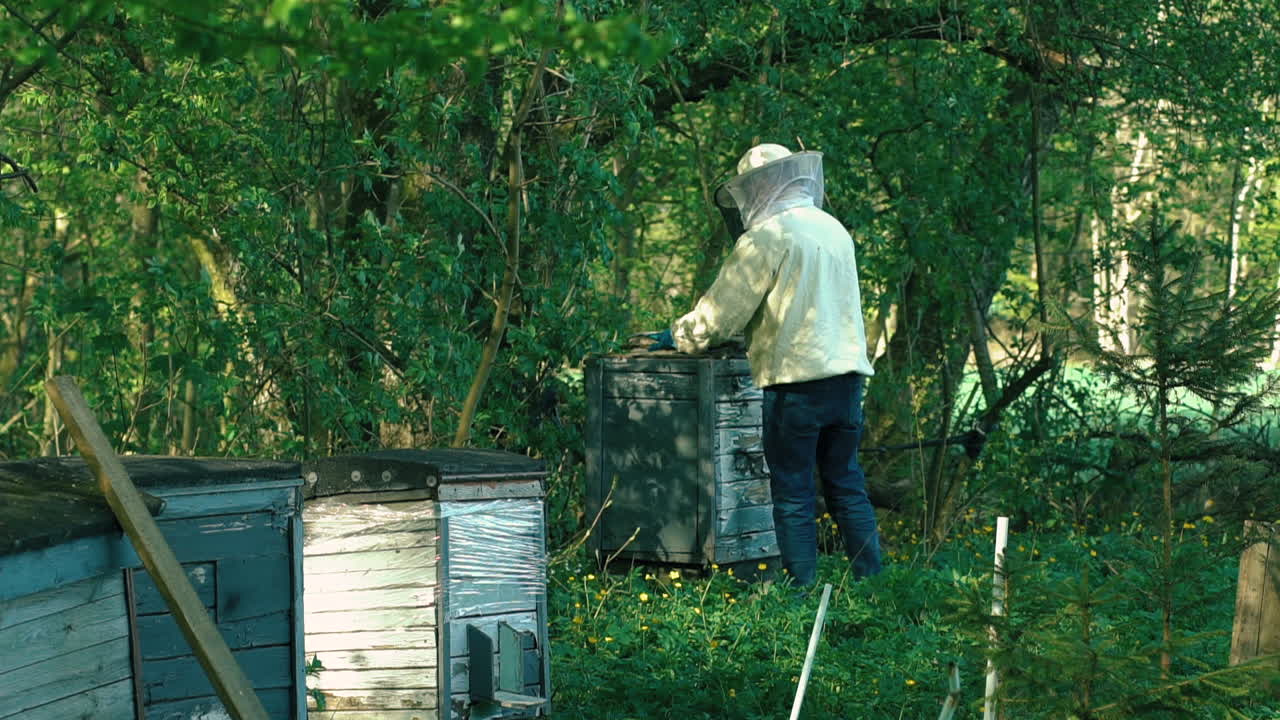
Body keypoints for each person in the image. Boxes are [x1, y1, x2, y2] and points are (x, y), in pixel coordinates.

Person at [647, 143, 881, 587]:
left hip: (797, 387)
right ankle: (876, 587)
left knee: (793, 493)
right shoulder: (833, 229)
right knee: (846, 485)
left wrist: (679, 335)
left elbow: (720, 315)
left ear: (758, 188)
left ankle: (800, 596)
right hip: (849, 381)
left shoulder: (767, 237)